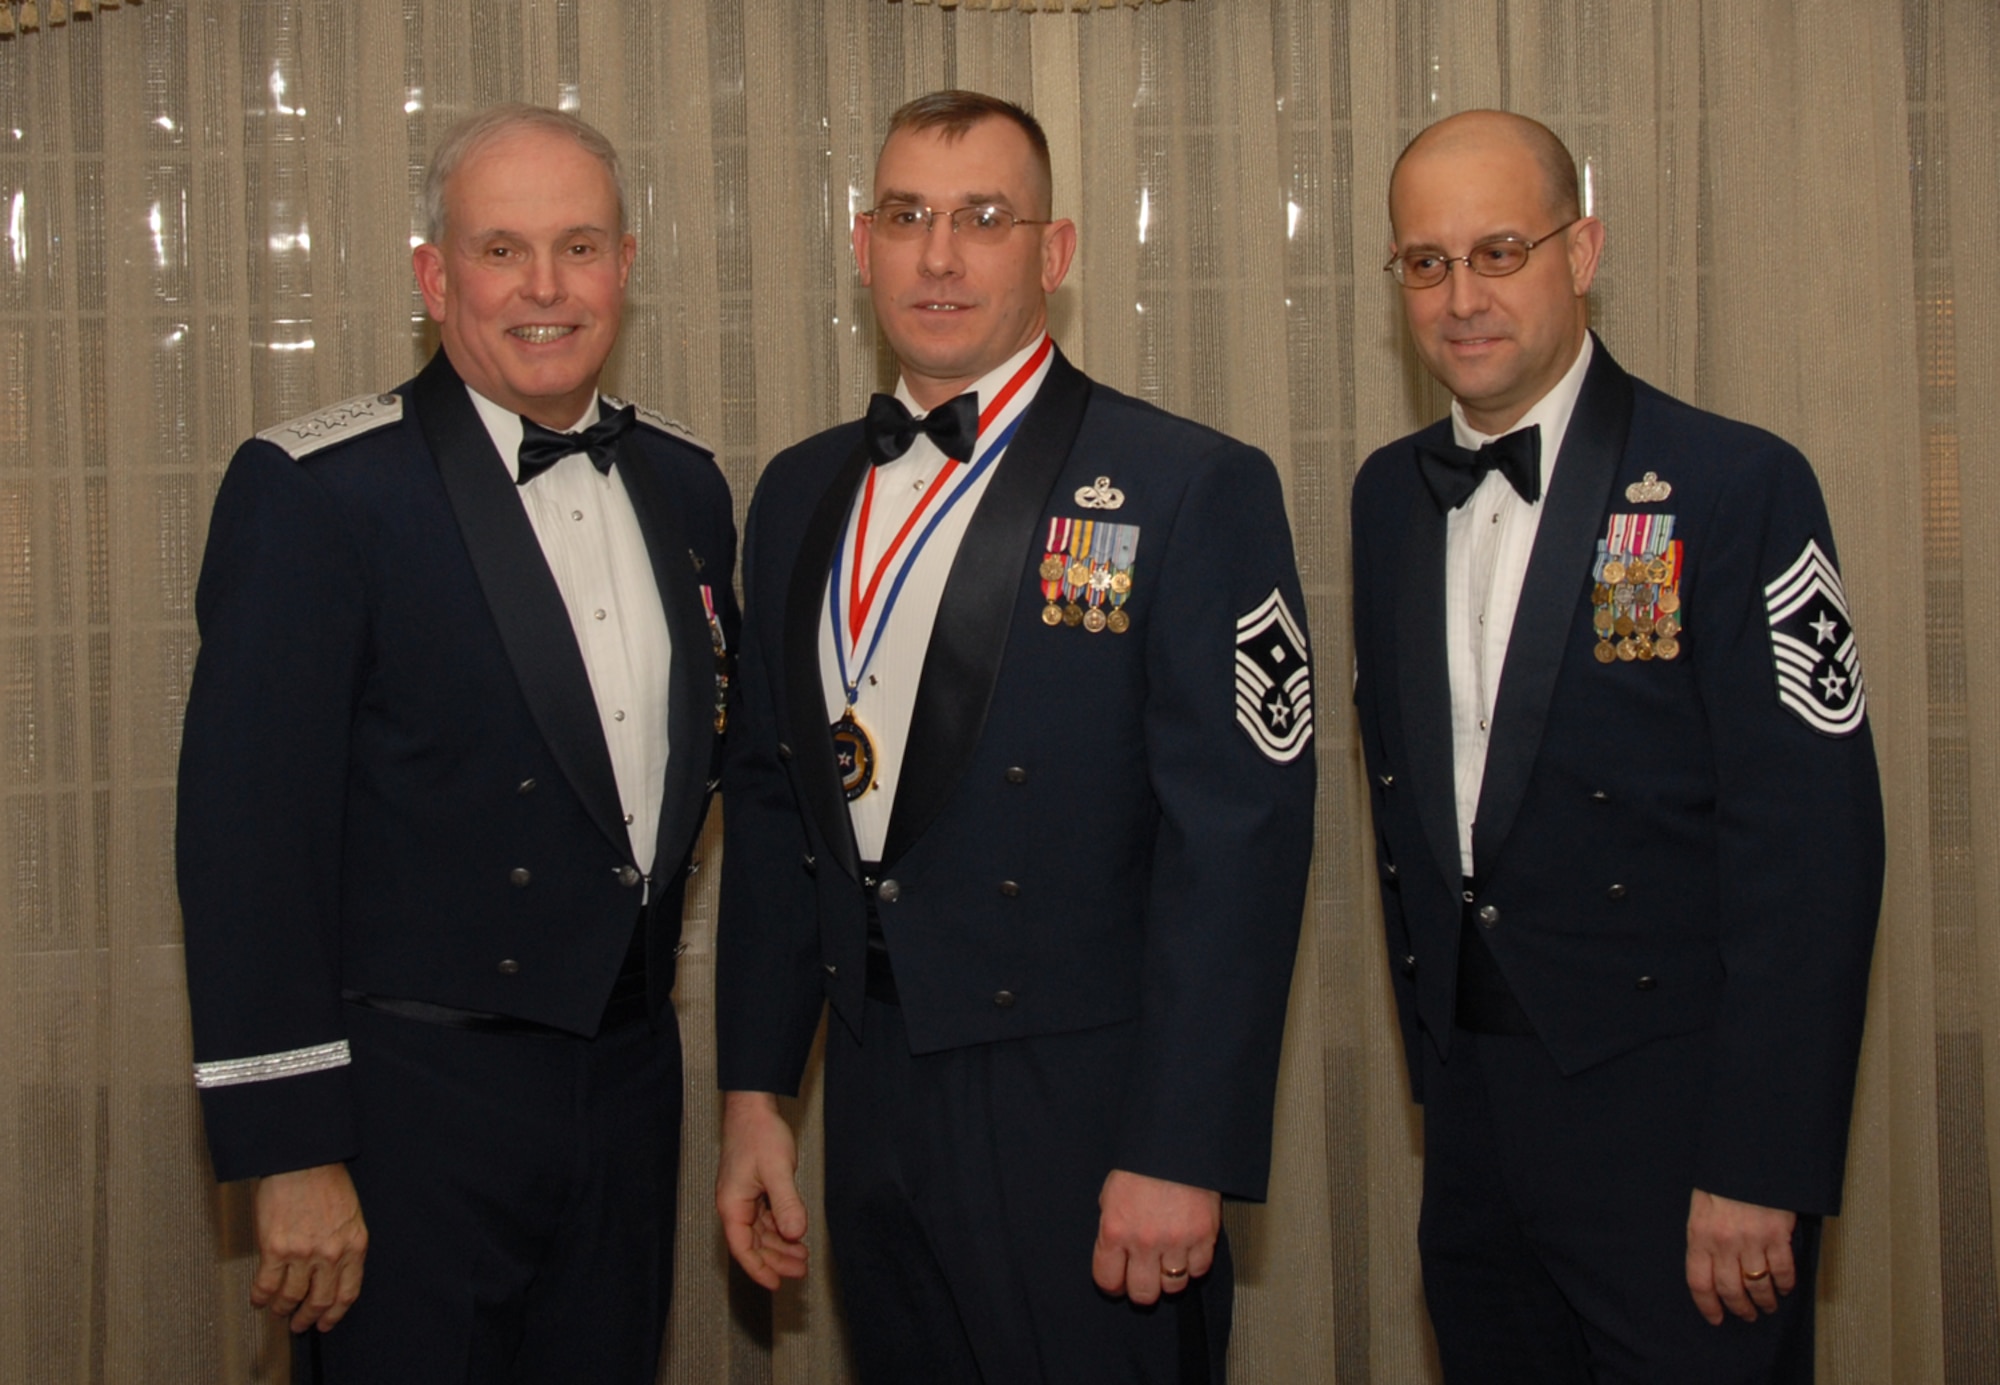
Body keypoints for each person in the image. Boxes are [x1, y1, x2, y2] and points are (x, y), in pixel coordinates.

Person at [713, 90, 1315, 1384]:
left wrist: (1181, 1144)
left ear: (1055, 250)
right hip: (871, 1088)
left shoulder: (1184, 485)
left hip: (1091, 1109)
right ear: (863, 241)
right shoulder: (798, 490)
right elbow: (773, 810)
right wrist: (757, 1092)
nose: (939, 257)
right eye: (909, 217)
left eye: (984, 218)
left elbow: (1242, 847)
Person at [177, 104, 737, 1384]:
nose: (544, 287)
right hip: (405, 1112)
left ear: (626, 265)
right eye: (501, 250)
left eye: (578, 246)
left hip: (629, 1084)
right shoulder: (320, 494)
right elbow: (247, 841)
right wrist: (291, 1147)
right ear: (436, 278)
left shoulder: (687, 486)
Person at [1352, 109, 1884, 1382]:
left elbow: (1810, 847)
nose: (1461, 296)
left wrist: (1758, 1163)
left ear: (1580, 251)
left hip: (1681, 1137)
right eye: (1425, 262)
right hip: (1475, 1133)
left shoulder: (1730, 482)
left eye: (1498, 250)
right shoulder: (1386, 493)